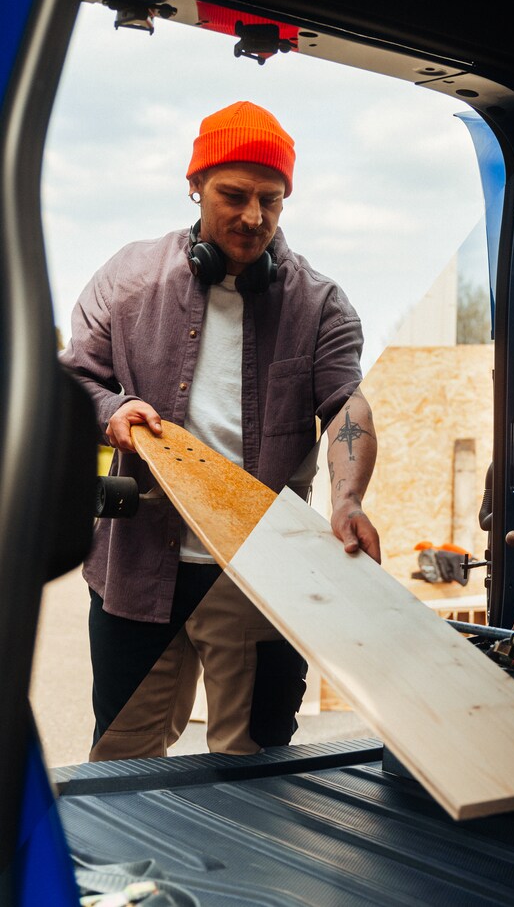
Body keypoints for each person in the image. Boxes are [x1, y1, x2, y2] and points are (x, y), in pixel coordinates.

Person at [60, 100, 380, 760]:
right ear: (194, 186)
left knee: (255, 769)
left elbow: (346, 403)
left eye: (271, 200)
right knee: (122, 763)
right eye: (233, 195)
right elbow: (76, 380)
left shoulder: (320, 304)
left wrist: (347, 501)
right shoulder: (128, 279)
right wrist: (113, 412)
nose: (253, 217)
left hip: (263, 576)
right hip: (138, 569)